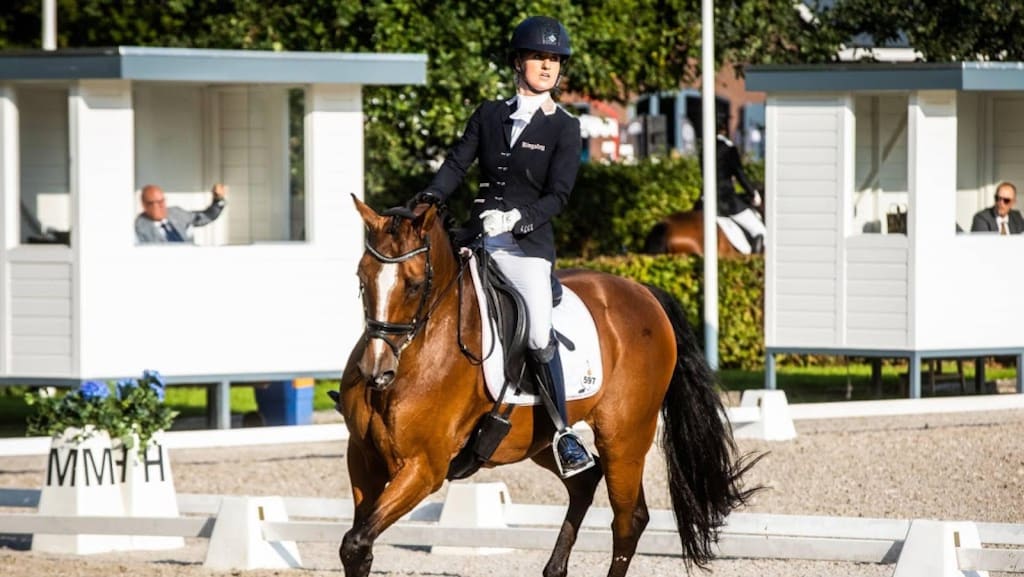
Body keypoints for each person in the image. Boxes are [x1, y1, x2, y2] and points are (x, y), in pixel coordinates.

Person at [410, 16, 592, 477]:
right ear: (518, 62)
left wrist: (518, 217)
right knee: (421, 295)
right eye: (539, 57)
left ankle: (564, 433)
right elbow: (456, 165)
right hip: (475, 239)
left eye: (554, 60)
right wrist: (429, 198)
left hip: (526, 249)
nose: (548, 66)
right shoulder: (489, 114)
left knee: (535, 333)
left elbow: (560, 194)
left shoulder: (564, 127)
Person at [710, 111, 766, 253]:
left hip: (705, 199)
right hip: (725, 200)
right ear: (723, 127)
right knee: (760, 231)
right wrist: (752, 193)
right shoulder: (728, 148)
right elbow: (739, 174)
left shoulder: (704, 147)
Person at [135, 183, 228, 244]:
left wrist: (218, 199)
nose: (162, 206)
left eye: (162, 201)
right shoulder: (140, 227)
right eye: (156, 203)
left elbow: (205, 217)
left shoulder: (176, 213)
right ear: (145, 205)